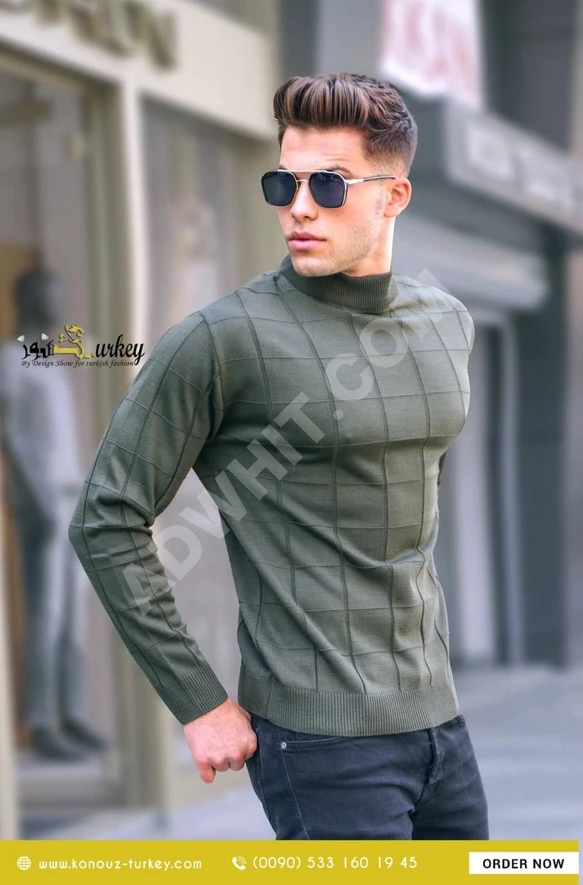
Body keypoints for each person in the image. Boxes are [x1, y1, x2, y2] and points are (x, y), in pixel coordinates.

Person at [68, 72, 489, 839]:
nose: (298, 206)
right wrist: (198, 699)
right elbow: (105, 519)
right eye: (282, 183)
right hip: (319, 743)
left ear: (393, 196)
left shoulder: (447, 324)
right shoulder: (220, 340)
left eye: (327, 184)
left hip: (440, 727)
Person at [0, 268, 109, 760]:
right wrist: (37, 495)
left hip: (69, 495)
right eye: (50, 296)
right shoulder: (11, 361)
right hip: (41, 502)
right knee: (45, 613)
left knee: (71, 615)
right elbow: (10, 434)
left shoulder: (47, 358)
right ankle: (42, 721)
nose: (58, 305)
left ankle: (73, 714)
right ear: (27, 299)